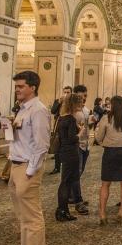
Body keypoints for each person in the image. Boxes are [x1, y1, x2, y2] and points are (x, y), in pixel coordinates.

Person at [0, 71, 50, 245]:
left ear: (33, 88)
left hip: (27, 168)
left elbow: (42, 146)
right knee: (22, 215)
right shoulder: (22, 109)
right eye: (17, 86)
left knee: (32, 216)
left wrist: (30, 172)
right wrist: (9, 129)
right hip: (16, 166)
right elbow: (20, 139)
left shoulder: (38, 111)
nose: (17, 89)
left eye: (21, 86)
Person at [95, 96, 122, 224]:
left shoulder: (106, 118)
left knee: (105, 184)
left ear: (112, 106)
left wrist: (105, 141)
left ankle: (103, 214)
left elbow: (98, 137)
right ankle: (121, 211)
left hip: (110, 152)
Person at [54, 93, 83, 222]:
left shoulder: (61, 117)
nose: (81, 105)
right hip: (71, 152)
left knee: (65, 181)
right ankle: (62, 210)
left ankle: (62, 209)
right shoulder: (70, 119)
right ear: (74, 104)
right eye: (80, 103)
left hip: (63, 151)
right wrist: (81, 132)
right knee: (67, 182)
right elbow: (72, 138)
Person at [69, 85, 90, 215]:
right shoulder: (71, 111)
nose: (83, 99)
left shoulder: (86, 110)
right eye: (81, 96)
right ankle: (77, 200)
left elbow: (86, 127)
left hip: (85, 144)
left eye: (85, 96)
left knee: (79, 172)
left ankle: (72, 196)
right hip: (76, 145)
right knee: (75, 174)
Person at [49, 86, 72, 175]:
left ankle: (67, 165)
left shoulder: (72, 102)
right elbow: (53, 111)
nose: (66, 94)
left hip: (69, 124)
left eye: (68, 92)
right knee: (57, 144)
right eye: (65, 92)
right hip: (59, 124)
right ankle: (57, 167)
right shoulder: (58, 100)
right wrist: (59, 102)